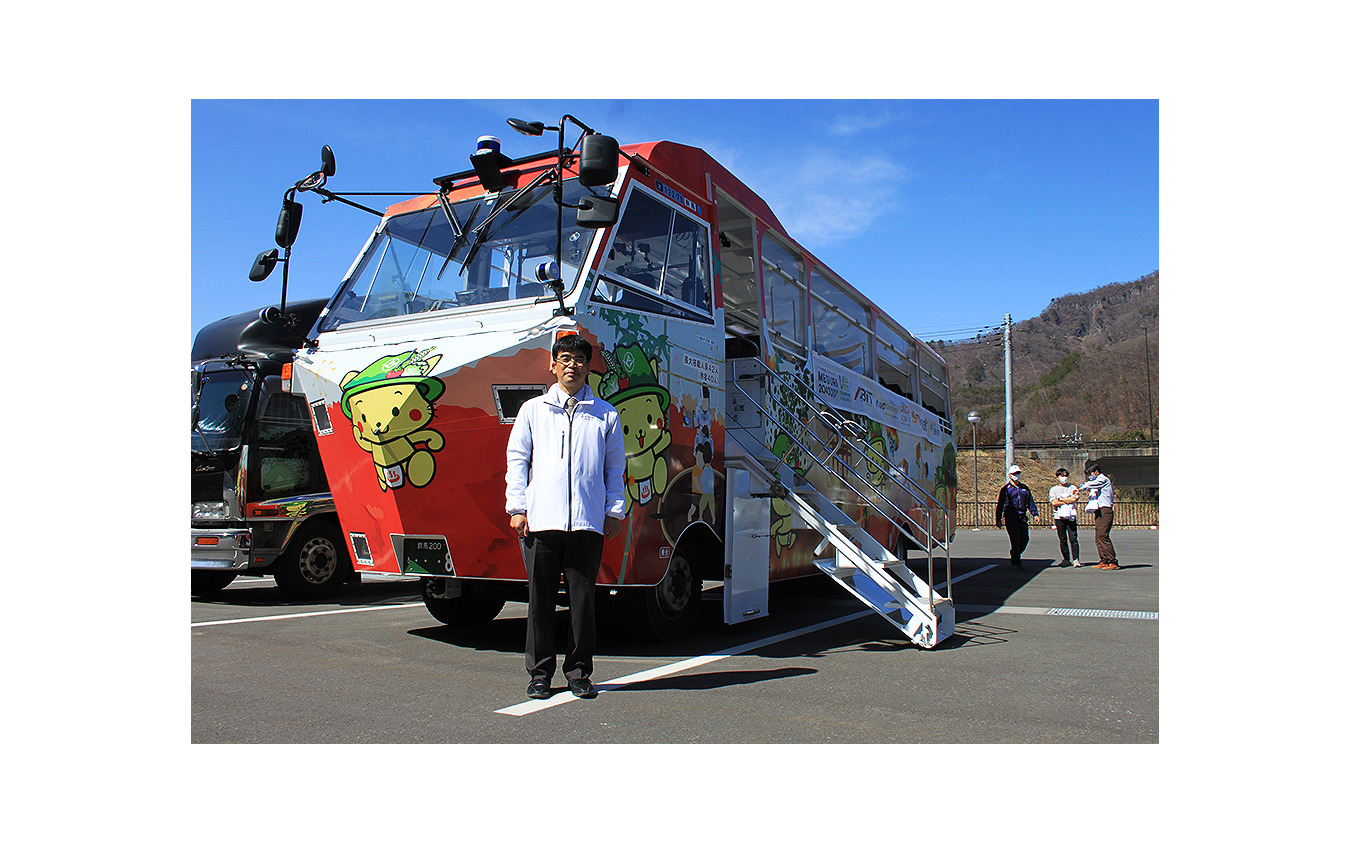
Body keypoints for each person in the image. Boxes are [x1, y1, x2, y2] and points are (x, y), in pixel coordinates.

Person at [505, 334, 626, 700]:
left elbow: (614, 466)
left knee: (583, 602)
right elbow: (517, 460)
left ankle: (578, 672)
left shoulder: (605, 413)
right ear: (553, 365)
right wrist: (517, 508)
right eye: (565, 358)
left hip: (587, 524)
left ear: (588, 367)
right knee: (539, 600)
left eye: (579, 359)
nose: (572, 365)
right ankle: (539, 673)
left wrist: (613, 509)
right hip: (541, 523)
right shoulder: (533, 410)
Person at [994, 464, 1039, 569]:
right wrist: (998, 519)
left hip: (1022, 517)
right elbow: (1000, 505)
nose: (1017, 475)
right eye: (1014, 474)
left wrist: (1035, 513)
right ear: (1010, 475)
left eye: (1018, 473)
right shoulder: (1006, 489)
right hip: (1011, 517)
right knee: (1015, 538)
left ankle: (1015, 553)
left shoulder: (1024, 488)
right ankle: (1017, 560)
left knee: (1025, 539)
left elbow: (1030, 502)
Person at [1079, 463, 1119, 570]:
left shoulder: (1103, 479)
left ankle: (1113, 561)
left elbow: (1091, 484)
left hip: (1105, 509)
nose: (1090, 477)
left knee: (1103, 534)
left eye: (1091, 474)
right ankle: (1104, 560)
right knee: (1098, 536)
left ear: (1096, 472)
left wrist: (1080, 489)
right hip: (1099, 510)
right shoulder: (1097, 482)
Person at [1048, 467, 1081, 567]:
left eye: (1066, 476)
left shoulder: (1072, 487)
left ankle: (1076, 559)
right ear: (1057, 477)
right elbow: (1054, 502)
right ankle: (1066, 559)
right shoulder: (1054, 489)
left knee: (1073, 538)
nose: (1064, 478)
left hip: (1071, 516)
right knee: (1062, 539)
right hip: (1059, 517)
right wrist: (1067, 499)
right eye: (1062, 476)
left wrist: (1061, 500)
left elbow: (1074, 499)